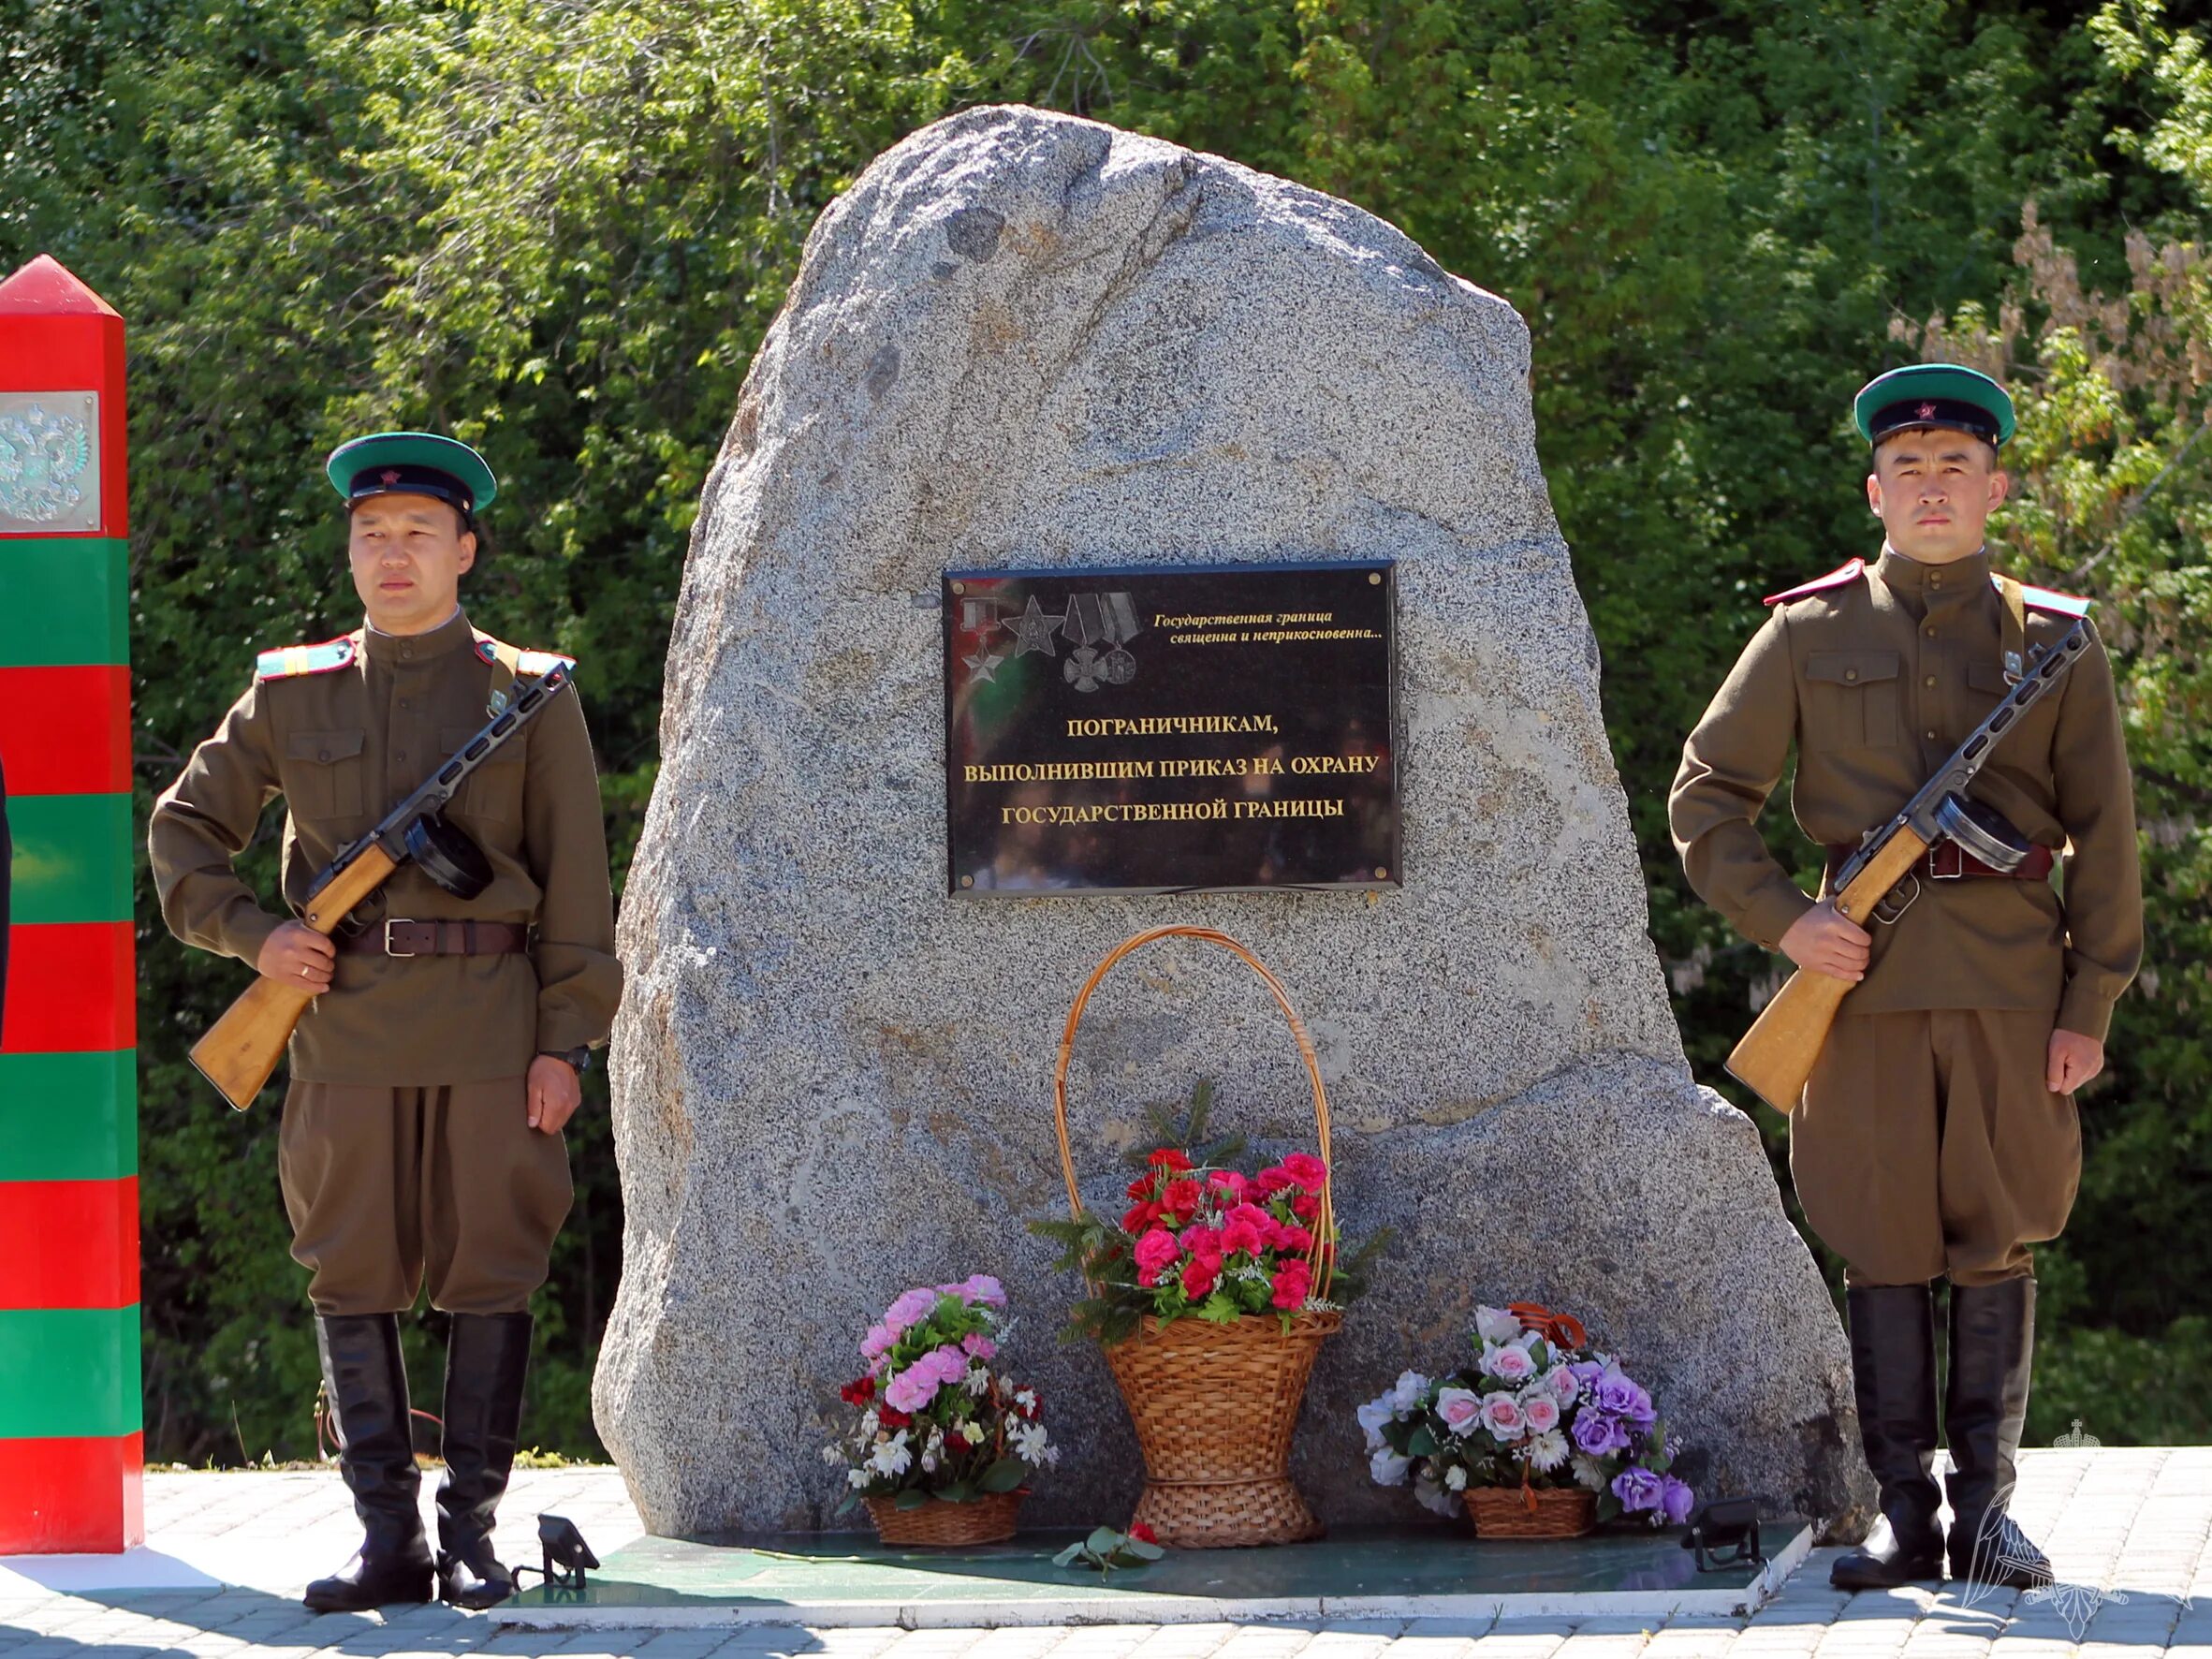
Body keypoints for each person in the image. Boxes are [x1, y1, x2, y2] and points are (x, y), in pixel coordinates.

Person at [1668, 364, 2141, 1591]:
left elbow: (2102, 832)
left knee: (1992, 1242)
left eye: (1955, 471)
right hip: (1858, 991)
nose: (1931, 491)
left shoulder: (2053, 642)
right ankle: (1901, 1517)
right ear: (1873, 490)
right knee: (1878, 1243)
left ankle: (1984, 1515)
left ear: (1993, 486)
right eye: (1908, 472)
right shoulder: (1806, 630)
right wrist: (1785, 924)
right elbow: (1705, 799)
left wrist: (2087, 1005)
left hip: (2007, 986)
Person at [148, 433, 622, 1612]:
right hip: (341, 1026)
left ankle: (470, 1534)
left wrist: (563, 1040)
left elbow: (576, 889)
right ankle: (387, 1544)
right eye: (371, 534)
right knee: (349, 1271)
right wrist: (257, 936)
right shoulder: (294, 687)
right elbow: (183, 831)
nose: (391, 553)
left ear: (464, 548)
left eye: (417, 533)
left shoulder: (526, 694)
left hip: (488, 1027)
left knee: (492, 1270)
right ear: (351, 552)